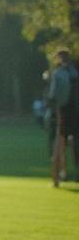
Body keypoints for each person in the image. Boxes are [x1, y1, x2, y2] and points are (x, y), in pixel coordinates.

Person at [47, 48, 78, 186]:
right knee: (74, 144)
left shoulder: (58, 73)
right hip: (75, 112)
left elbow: (53, 95)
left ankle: (57, 178)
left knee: (59, 145)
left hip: (63, 112)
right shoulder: (75, 72)